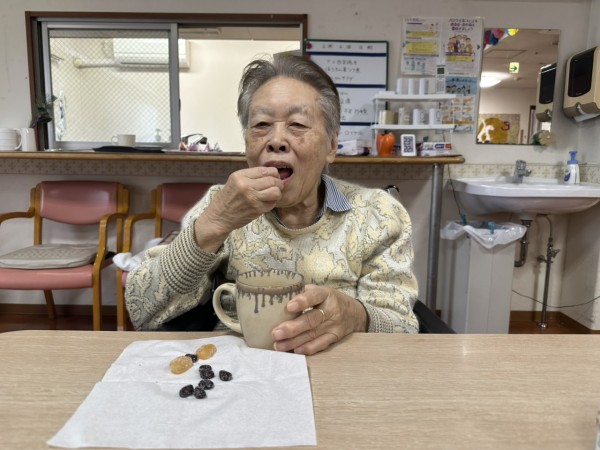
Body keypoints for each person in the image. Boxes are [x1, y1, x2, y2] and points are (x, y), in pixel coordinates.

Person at [125, 54, 420, 355]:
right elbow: (141, 310)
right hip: (237, 368)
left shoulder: (378, 214)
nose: (276, 140)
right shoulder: (221, 205)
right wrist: (213, 225)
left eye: (298, 124)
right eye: (261, 124)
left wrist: (356, 314)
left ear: (331, 145)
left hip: (338, 367)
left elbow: (403, 327)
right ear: (246, 143)